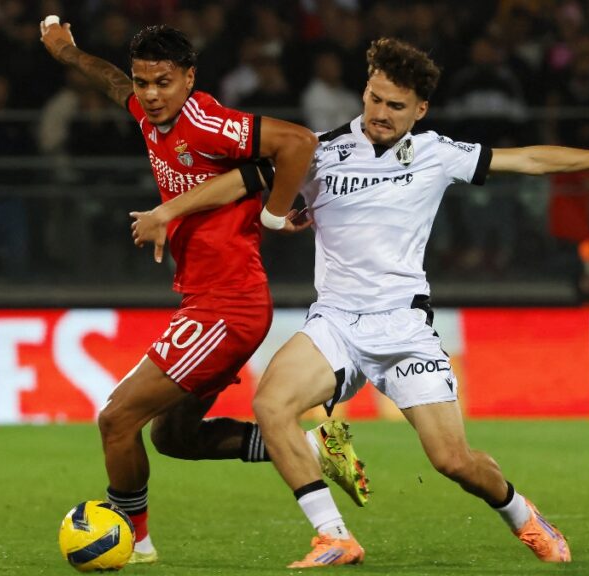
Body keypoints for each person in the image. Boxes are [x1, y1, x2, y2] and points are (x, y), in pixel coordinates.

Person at [136, 37, 589, 568]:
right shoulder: (321, 150)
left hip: (404, 326)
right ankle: (334, 537)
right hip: (336, 322)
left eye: (395, 105)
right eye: (373, 98)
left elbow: (530, 158)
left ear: (421, 109)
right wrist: (174, 211)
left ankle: (523, 515)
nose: (380, 113)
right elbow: (240, 180)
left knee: (453, 461)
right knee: (272, 406)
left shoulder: (439, 154)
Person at [38, 21, 369, 565]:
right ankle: (312, 449)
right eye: (145, 82)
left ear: (190, 78)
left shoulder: (207, 122)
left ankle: (132, 540)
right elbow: (112, 83)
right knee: (174, 438)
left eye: (163, 82)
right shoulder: (148, 112)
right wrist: (69, 52)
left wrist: (272, 211)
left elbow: (299, 142)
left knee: (117, 419)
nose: (150, 93)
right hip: (206, 301)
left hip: (228, 307)